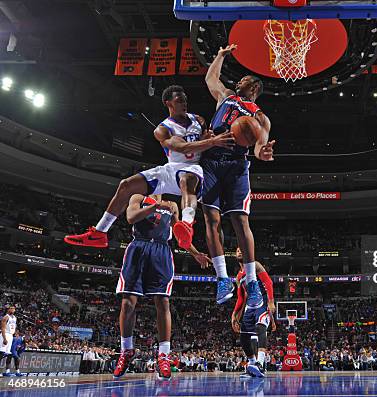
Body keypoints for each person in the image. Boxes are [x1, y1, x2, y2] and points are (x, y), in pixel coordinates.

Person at [64, 85, 234, 249]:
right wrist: (212, 141)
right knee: (126, 185)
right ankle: (100, 233)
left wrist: (208, 138)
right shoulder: (163, 129)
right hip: (171, 168)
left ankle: (187, 224)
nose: (184, 103)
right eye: (180, 100)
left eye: (185, 100)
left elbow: (203, 142)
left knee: (186, 180)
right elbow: (183, 147)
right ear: (169, 103)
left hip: (192, 168)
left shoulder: (198, 120)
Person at [202, 44, 276, 306]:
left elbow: (259, 145)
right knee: (211, 219)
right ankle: (222, 278)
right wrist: (219, 55)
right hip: (211, 159)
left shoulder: (260, 118)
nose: (239, 81)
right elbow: (211, 78)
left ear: (253, 88)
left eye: (244, 80)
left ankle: (252, 281)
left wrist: (262, 153)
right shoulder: (227, 97)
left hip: (235, 164)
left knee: (240, 221)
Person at [112, 194, 211, 380]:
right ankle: (126, 351)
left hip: (161, 250)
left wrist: (195, 254)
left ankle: (163, 355)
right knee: (127, 303)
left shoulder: (172, 205)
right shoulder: (138, 197)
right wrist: (154, 207)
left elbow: (180, 233)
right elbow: (131, 217)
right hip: (138, 248)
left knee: (163, 303)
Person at [225, 247, 275, 378]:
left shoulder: (255, 265)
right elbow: (241, 298)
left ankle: (260, 363)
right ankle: (252, 365)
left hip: (262, 302)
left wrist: (270, 301)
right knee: (243, 337)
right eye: (237, 250)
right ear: (235, 255)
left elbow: (268, 282)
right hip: (249, 307)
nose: (240, 251)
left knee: (260, 327)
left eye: (242, 249)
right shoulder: (238, 276)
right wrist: (234, 315)